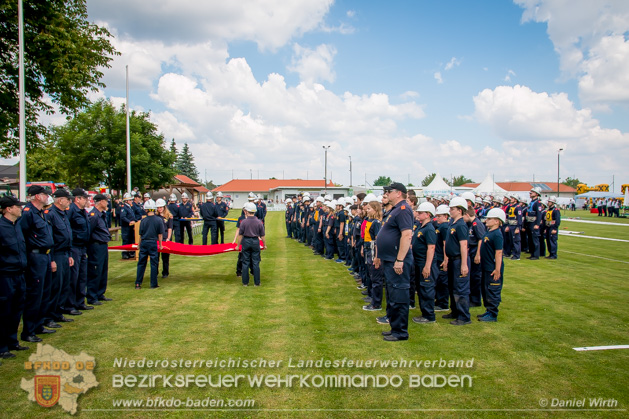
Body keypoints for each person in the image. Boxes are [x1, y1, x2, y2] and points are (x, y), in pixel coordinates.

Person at [375, 182, 414, 341]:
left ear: (398, 193)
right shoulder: (396, 210)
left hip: (397, 261)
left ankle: (400, 332)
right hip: (390, 260)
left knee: (399, 296)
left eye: (389, 191)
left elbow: (406, 235)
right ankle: (394, 327)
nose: (386, 194)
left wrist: (400, 259)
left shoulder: (403, 210)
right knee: (392, 295)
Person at [20, 185, 55, 343]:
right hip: (34, 256)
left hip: (45, 256)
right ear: (36, 196)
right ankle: (29, 330)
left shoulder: (42, 213)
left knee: (44, 292)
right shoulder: (28, 213)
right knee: (34, 293)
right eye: (44, 194)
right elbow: (23, 237)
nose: (47, 196)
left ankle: (39, 324)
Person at [43, 189, 78, 333]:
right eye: (67, 199)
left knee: (64, 285)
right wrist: (51, 258)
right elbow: (50, 238)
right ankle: (49, 317)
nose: (70, 201)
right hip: (56, 254)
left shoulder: (63, 214)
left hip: (64, 253)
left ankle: (58, 312)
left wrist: (69, 253)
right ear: (59, 200)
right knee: (55, 286)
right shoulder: (51, 214)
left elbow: (67, 234)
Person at [0, 196, 29, 358]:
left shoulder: (16, 225)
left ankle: (12, 341)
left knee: (17, 309)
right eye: (17, 206)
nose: (21, 209)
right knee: (4, 311)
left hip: (20, 274)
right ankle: (2, 346)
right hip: (5, 276)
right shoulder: (1, 226)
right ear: (8, 209)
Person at [443, 196, 471, 326]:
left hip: (459, 260)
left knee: (461, 289)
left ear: (460, 210)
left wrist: (464, 264)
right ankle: (455, 311)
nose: (450, 211)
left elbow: (463, 245)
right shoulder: (453, 224)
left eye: (452, 209)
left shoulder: (461, 225)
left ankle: (464, 316)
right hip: (453, 260)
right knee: (453, 287)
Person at [411, 202, 438, 324]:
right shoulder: (422, 227)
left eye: (421, 212)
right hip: (419, 262)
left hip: (425, 263)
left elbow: (431, 248)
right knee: (422, 288)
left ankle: (429, 315)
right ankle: (425, 312)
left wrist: (427, 266)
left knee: (427, 289)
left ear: (428, 214)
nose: (418, 214)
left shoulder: (429, 229)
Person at [477, 208, 505, 322]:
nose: (486, 221)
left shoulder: (497, 234)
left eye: (489, 219)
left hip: (492, 268)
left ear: (497, 221)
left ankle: (493, 313)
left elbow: (498, 253)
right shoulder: (489, 232)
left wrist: (497, 269)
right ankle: (488, 310)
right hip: (486, 266)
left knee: (493, 290)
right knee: (486, 289)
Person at [68, 188, 93, 312]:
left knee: (82, 276)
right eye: (85, 198)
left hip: (83, 246)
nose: (87, 200)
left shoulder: (83, 211)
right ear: (77, 199)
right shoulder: (71, 210)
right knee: (74, 277)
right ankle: (70, 304)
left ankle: (80, 301)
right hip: (74, 247)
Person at [86, 194, 112, 305]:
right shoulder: (93, 215)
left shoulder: (102, 214)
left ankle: (100, 293)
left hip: (102, 245)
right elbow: (89, 231)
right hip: (96, 245)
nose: (107, 203)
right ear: (101, 202)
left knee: (103, 270)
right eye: (106, 201)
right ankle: (92, 296)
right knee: (95, 270)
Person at [135, 200, 164, 289]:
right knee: (154, 263)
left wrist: (139, 245)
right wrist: (160, 245)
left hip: (144, 242)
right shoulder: (158, 220)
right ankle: (153, 284)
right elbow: (160, 234)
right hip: (152, 243)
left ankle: (138, 283)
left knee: (141, 263)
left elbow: (141, 234)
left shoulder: (143, 221)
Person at [236, 202, 266, 286]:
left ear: (246, 211)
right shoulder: (259, 222)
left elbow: (240, 235)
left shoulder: (244, 222)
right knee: (256, 262)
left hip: (246, 241)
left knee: (245, 262)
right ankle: (257, 282)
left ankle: (245, 282)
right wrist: (264, 244)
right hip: (255, 242)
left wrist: (238, 246)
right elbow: (262, 235)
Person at [362, 201, 383, 311]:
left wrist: (377, 256)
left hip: (373, 250)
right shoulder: (370, 221)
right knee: (371, 275)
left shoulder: (376, 223)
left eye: (369, 208)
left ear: (375, 209)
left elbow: (377, 240)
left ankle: (376, 303)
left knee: (376, 278)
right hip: (368, 249)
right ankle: (373, 298)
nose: (367, 210)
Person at [465, 207, 486, 308]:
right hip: (471, 250)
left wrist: (478, 254)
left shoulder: (476, 224)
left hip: (475, 251)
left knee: (476, 277)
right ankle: (471, 297)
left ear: (467, 215)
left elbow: (480, 239)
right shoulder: (471, 224)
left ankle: (476, 299)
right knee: (472, 276)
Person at [433, 204, 450, 312]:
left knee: (442, 281)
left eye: (439, 216)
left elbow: (445, 244)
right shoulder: (441, 226)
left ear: (445, 216)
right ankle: (439, 300)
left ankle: (443, 303)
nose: (437, 218)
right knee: (438, 280)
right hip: (438, 255)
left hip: (441, 256)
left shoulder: (444, 227)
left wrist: (445, 259)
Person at [524, 187, 543, 260]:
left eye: (532, 192)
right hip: (529, 223)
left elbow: (539, 214)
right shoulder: (531, 202)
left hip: (533, 223)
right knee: (530, 239)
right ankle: (532, 253)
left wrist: (537, 224)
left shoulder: (537, 203)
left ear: (536, 194)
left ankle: (536, 255)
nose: (530, 193)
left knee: (535, 239)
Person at [156, 199, 173, 278]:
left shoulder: (169, 216)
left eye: (161, 207)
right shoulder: (155, 216)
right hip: (157, 237)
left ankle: (165, 272)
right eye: (158, 207)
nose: (159, 209)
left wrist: (168, 238)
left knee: (165, 257)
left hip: (165, 237)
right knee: (156, 257)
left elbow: (170, 228)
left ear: (164, 207)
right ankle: (155, 272)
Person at [119, 193, 136, 260]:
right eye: (130, 200)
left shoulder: (129, 207)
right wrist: (129, 221)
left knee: (131, 240)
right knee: (126, 240)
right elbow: (123, 217)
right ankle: (125, 253)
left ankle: (130, 252)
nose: (131, 201)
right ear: (126, 201)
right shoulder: (124, 208)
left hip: (131, 227)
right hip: (126, 227)